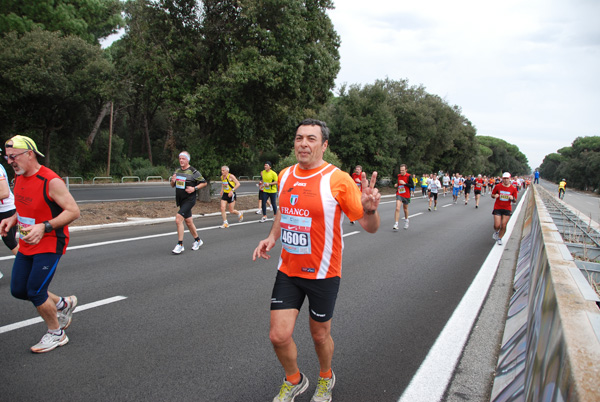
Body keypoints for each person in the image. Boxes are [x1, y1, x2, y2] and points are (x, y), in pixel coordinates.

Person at [252, 118, 381, 402]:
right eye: (299, 138)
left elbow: (369, 227)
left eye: (311, 139)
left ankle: (325, 377)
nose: (303, 144)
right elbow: (283, 213)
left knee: (319, 336)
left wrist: (370, 210)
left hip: (324, 273)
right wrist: (272, 238)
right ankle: (295, 380)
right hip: (288, 269)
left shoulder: (338, 179)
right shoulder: (285, 174)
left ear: (324, 145)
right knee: (278, 335)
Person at [0, 135, 80, 353]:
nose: (9, 162)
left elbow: (74, 211)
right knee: (18, 289)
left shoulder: (50, 181)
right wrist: (12, 219)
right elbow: (25, 206)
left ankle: (56, 333)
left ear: (29, 154)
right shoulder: (19, 177)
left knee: (35, 291)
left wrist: (44, 227)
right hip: (28, 241)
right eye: (6, 157)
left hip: (50, 241)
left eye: (13, 157)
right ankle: (63, 303)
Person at [169, 151, 207, 254]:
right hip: (181, 200)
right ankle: (198, 240)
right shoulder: (177, 170)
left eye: (183, 159)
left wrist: (194, 188)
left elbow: (204, 182)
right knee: (189, 222)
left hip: (189, 200)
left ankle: (180, 244)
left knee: (178, 219)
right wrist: (173, 180)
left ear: (188, 160)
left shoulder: (193, 171)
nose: (181, 160)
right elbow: (173, 185)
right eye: (180, 158)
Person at [491, 172, 518, 246]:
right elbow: (492, 195)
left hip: (507, 208)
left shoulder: (513, 188)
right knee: (497, 225)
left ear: (510, 179)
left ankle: (500, 238)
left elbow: (515, 200)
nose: (506, 180)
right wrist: (495, 195)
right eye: (504, 178)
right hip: (498, 207)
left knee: (503, 225)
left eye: (507, 178)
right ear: (502, 179)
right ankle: (496, 231)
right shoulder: (498, 186)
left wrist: (512, 198)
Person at [394, 164, 414, 230]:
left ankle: (406, 221)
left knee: (405, 209)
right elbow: (399, 183)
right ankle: (396, 224)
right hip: (399, 194)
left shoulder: (409, 176)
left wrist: (405, 183)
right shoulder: (399, 176)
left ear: (406, 170)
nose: (401, 172)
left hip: (406, 195)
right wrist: (397, 184)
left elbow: (412, 185)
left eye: (403, 170)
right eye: (400, 170)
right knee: (397, 208)